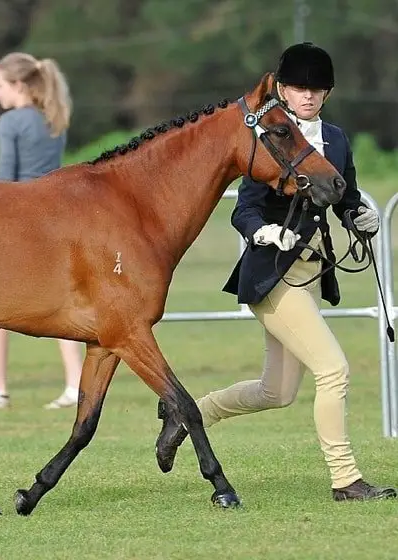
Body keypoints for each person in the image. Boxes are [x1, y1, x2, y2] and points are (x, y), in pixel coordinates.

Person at [157, 42, 396, 501]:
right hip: (273, 275)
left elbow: (343, 196)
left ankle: (188, 413)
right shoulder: (269, 137)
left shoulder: (338, 139)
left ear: (327, 94)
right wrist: (264, 233)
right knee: (334, 370)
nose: (308, 96)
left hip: (309, 272)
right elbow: (244, 210)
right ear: (282, 91)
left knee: (277, 391)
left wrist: (359, 217)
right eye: (299, 87)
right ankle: (346, 481)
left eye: (317, 89)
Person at [0, 51, 83, 410]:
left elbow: (6, 180)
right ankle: (74, 383)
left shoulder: (10, 122)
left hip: (20, 218)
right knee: (63, 301)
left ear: (18, 85)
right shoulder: (54, 118)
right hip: (56, 217)